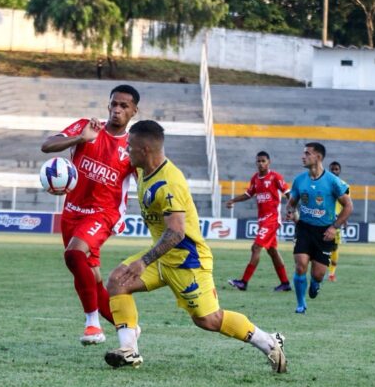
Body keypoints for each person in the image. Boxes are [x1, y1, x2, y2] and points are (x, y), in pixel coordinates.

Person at [103, 120, 287, 372]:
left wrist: (143, 260)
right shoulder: (144, 170)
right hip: (162, 259)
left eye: (130, 147)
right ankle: (129, 351)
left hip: (187, 261)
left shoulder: (169, 183)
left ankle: (268, 342)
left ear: (145, 149)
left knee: (208, 320)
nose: (127, 150)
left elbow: (177, 233)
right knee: (117, 282)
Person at [40, 85, 139, 345]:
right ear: (108, 105)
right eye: (114, 104)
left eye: (124, 106)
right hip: (72, 212)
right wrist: (80, 139)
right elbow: (47, 146)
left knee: (73, 254)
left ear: (133, 112)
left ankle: (92, 325)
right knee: (90, 278)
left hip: (104, 214)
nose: (117, 110)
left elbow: (148, 178)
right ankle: (126, 327)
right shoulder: (87, 127)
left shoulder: (132, 146)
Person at [285, 142, 352, 314]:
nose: (303, 156)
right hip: (305, 229)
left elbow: (348, 206)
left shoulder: (333, 182)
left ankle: (315, 285)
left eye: (307, 153)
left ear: (318, 157)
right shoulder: (300, 180)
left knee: (318, 275)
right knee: (300, 265)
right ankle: (301, 304)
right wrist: (291, 211)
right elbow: (291, 203)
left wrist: (334, 227)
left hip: (324, 233)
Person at [225, 151, 291, 292]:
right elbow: (249, 194)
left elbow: (288, 193)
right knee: (272, 251)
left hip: (272, 219)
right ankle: (285, 283)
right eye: (258, 161)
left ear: (269, 162)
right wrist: (233, 200)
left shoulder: (275, 177)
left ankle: (243, 282)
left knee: (256, 248)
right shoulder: (255, 178)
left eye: (263, 161)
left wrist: (291, 210)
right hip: (262, 220)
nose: (260, 164)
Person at [327, 161, 347, 282]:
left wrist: (345, 218)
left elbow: (347, 204)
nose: (334, 171)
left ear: (339, 171)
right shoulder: (324, 183)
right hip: (323, 219)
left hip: (336, 221)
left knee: (334, 247)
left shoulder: (344, 185)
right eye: (332, 169)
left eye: (336, 169)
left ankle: (331, 274)